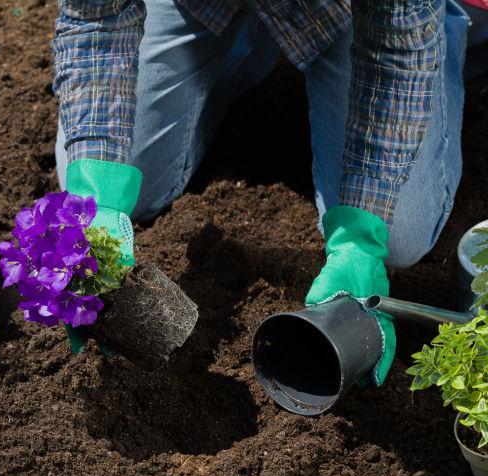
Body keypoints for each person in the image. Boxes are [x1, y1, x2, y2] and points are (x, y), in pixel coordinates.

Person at [51, 0, 488, 384]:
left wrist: (360, 237)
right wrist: (100, 190)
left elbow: (397, 53)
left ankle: (443, 28)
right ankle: (253, 40)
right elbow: (96, 17)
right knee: (112, 173)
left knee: (397, 234)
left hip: (348, 12)